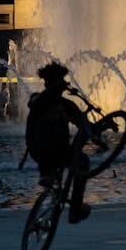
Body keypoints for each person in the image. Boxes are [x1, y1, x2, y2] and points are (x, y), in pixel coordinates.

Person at [24, 61, 92, 224]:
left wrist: (102, 127)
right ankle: (46, 174)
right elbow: (35, 103)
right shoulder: (38, 100)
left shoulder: (67, 105)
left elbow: (84, 124)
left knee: (83, 161)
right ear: (48, 83)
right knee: (51, 143)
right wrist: (53, 88)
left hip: (61, 150)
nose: (62, 84)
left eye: (62, 80)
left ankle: (75, 208)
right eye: (58, 81)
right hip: (41, 150)